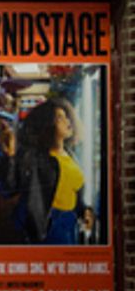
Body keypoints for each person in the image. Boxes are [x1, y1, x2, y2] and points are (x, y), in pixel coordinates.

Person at [11, 96, 94, 245]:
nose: (67, 122)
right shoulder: (38, 158)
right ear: (47, 125)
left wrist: (84, 210)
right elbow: (16, 188)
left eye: (66, 117)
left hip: (71, 222)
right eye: (59, 118)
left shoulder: (70, 154)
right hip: (51, 224)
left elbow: (74, 190)